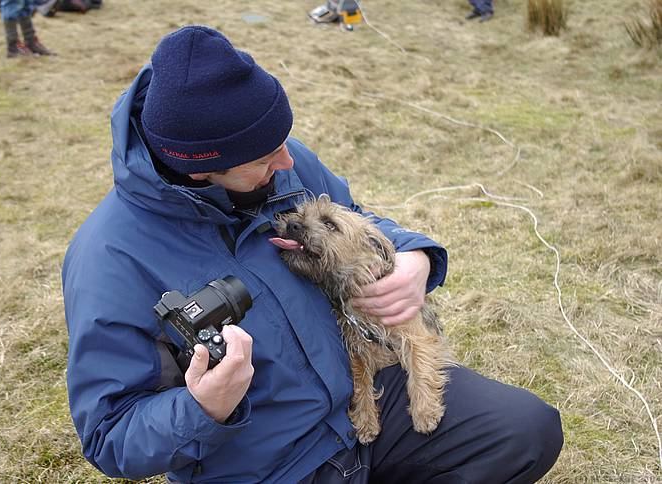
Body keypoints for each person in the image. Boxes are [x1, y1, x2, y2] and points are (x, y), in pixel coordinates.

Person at [62, 25, 563, 483]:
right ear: (200, 170)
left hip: (368, 400)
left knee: (523, 431)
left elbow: (358, 220)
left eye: (283, 142)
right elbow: (111, 436)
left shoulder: (282, 158)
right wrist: (202, 407)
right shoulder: (109, 257)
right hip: (267, 465)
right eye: (265, 158)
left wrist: (415, 258)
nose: (288, 160)